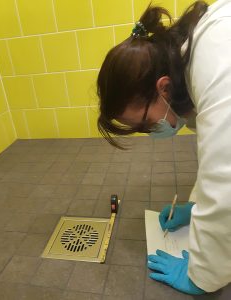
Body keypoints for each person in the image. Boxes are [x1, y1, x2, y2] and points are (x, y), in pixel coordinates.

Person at [96, 0, 231, 295]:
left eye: (145, 124)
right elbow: (218, 156)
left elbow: (227, 186)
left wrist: (202, 275)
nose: (149, 132)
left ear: (164, 88)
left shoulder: (218, 62)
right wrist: (196, 207)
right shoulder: (196, 59)